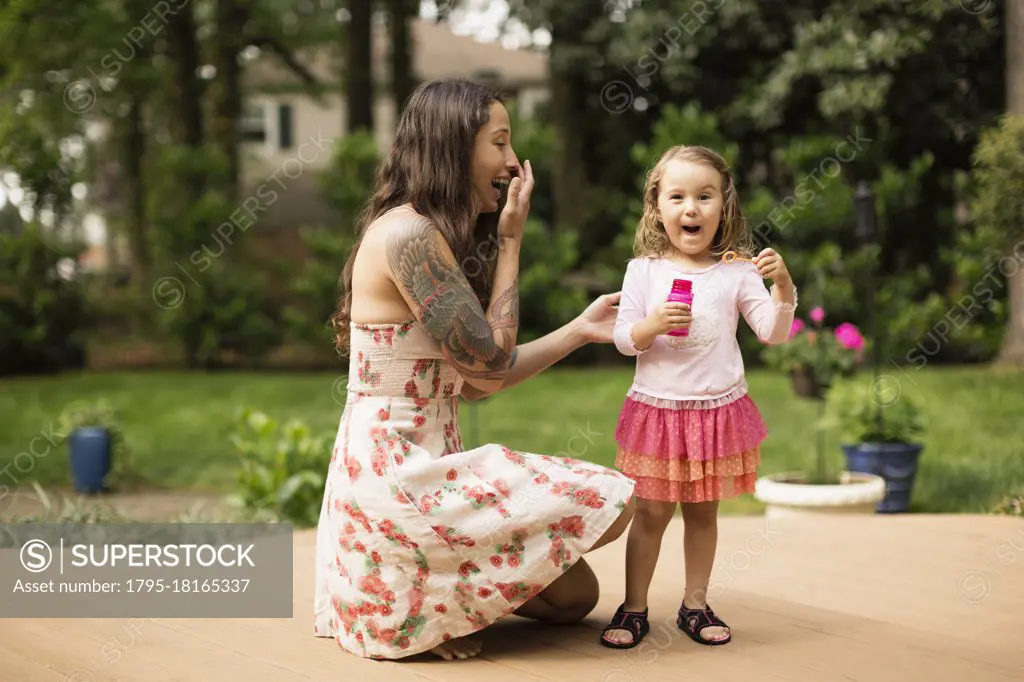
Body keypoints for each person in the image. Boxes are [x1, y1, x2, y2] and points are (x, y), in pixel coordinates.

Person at [313, 78, 636, 662]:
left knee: (574, 598)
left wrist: (580, 330)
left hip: (432, 467)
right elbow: (490, 372)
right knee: (612, 504)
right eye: (500, 143)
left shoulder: (426, 232)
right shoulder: (410, 237)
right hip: (399, 477)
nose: (513, 163)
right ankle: (429, 606)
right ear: (454, 147)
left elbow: (479, 382)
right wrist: (510, 244)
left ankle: (443, 596)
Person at [598, 145, 797, 650]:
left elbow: (773, 334)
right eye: (679, 196)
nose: (692, 208)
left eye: (705, 197)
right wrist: (651, 324)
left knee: (703, 513)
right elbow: (624, 339)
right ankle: (635, 607)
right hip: (658, 411)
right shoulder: (643, 270)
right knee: (651, 514)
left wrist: (784, 289)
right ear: (657, 207)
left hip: (715, 411)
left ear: (724, 206)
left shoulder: (737, 271)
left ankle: (694, 604)